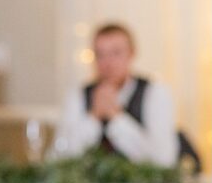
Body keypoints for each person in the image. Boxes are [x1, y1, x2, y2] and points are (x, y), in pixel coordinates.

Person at [54, 22, 179, 166]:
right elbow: (60, 158)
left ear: (132, 53)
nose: (107, 63)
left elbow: (164, 160)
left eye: (116, 53)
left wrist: (116, 117)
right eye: (100, 55)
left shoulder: (155, 93)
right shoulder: (78, 95)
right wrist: (94, 117)